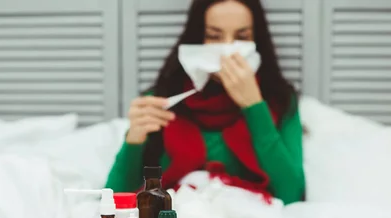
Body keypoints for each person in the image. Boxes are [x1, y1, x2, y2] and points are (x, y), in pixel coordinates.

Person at [105, 0, 304, 205]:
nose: (227, 50)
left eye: (241, 37)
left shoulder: (280, 102)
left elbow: (292, 195)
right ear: (198, 38)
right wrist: (134, 141)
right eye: (214, 37)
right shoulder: (162, 102)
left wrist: (254, 106)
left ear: (257, 41)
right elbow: (113, 199)